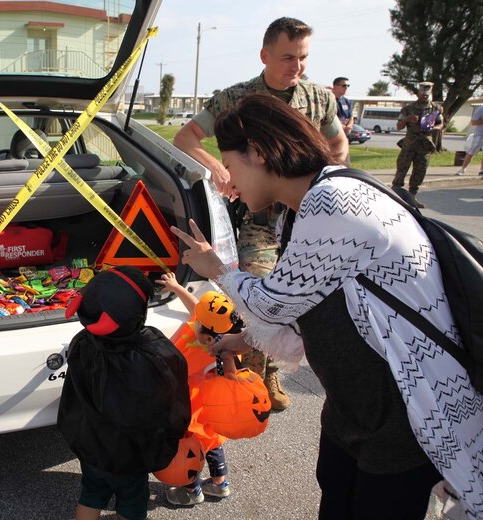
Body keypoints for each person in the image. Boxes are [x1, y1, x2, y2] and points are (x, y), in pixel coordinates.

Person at [171, 93, 483, 519]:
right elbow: (316, 305)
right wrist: (244, 339)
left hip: (398, 418)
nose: (226, 178)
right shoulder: (301, 209)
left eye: (229, 161)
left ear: (259, 152)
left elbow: (276, 304)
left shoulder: (333, 200)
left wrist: (218, 270)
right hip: (351, 410)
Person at [175, 16, 350, 412]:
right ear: (265, 55)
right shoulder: (235, 98)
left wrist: (326, 189)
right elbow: (185, 138)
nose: (297, 66)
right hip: (258, 219)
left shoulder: (319, 99)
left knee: (297, 297)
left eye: (303, 57)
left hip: (305, 214)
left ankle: (265, 365)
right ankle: (255, 374)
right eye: (288, 57)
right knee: (259, 286)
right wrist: (219, 168)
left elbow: (338, 147)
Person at [57, 266, 191, 520]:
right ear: (139, 315)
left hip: (93, 447)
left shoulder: (82, 342)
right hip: (131, 456)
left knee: (91, 494)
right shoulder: (153, 353)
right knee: (132, 503)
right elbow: (170, 404)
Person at [156, 272, 234, 506]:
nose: (194, 319)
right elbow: (196, 308)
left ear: (208, 336)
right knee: (213, 444)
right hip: (213, 416)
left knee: (189, 451)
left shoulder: (208, 353)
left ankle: (191, 490)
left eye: (198, 320)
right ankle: (220, 483)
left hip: (190, 412)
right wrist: (177, 287)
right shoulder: (227, 342)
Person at [391, 81, 444, 208]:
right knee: (402, 168)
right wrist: (408, 119)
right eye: (422, 94)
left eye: (427, 95)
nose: (424, 97)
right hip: (410, 143)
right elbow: (399, 126)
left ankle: (412, 197)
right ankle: (396, 195)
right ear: (418, 94)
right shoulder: (408, 108)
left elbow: (441, 123)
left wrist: (436, 127)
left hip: (425, 144)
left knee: (420, 171)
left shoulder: (436, 108)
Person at [455, 103, 483, 176]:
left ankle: (482, 170)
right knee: (472, 151)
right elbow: (473, 122)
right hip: (480, 134)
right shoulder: (481, 109)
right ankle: (463, 169)